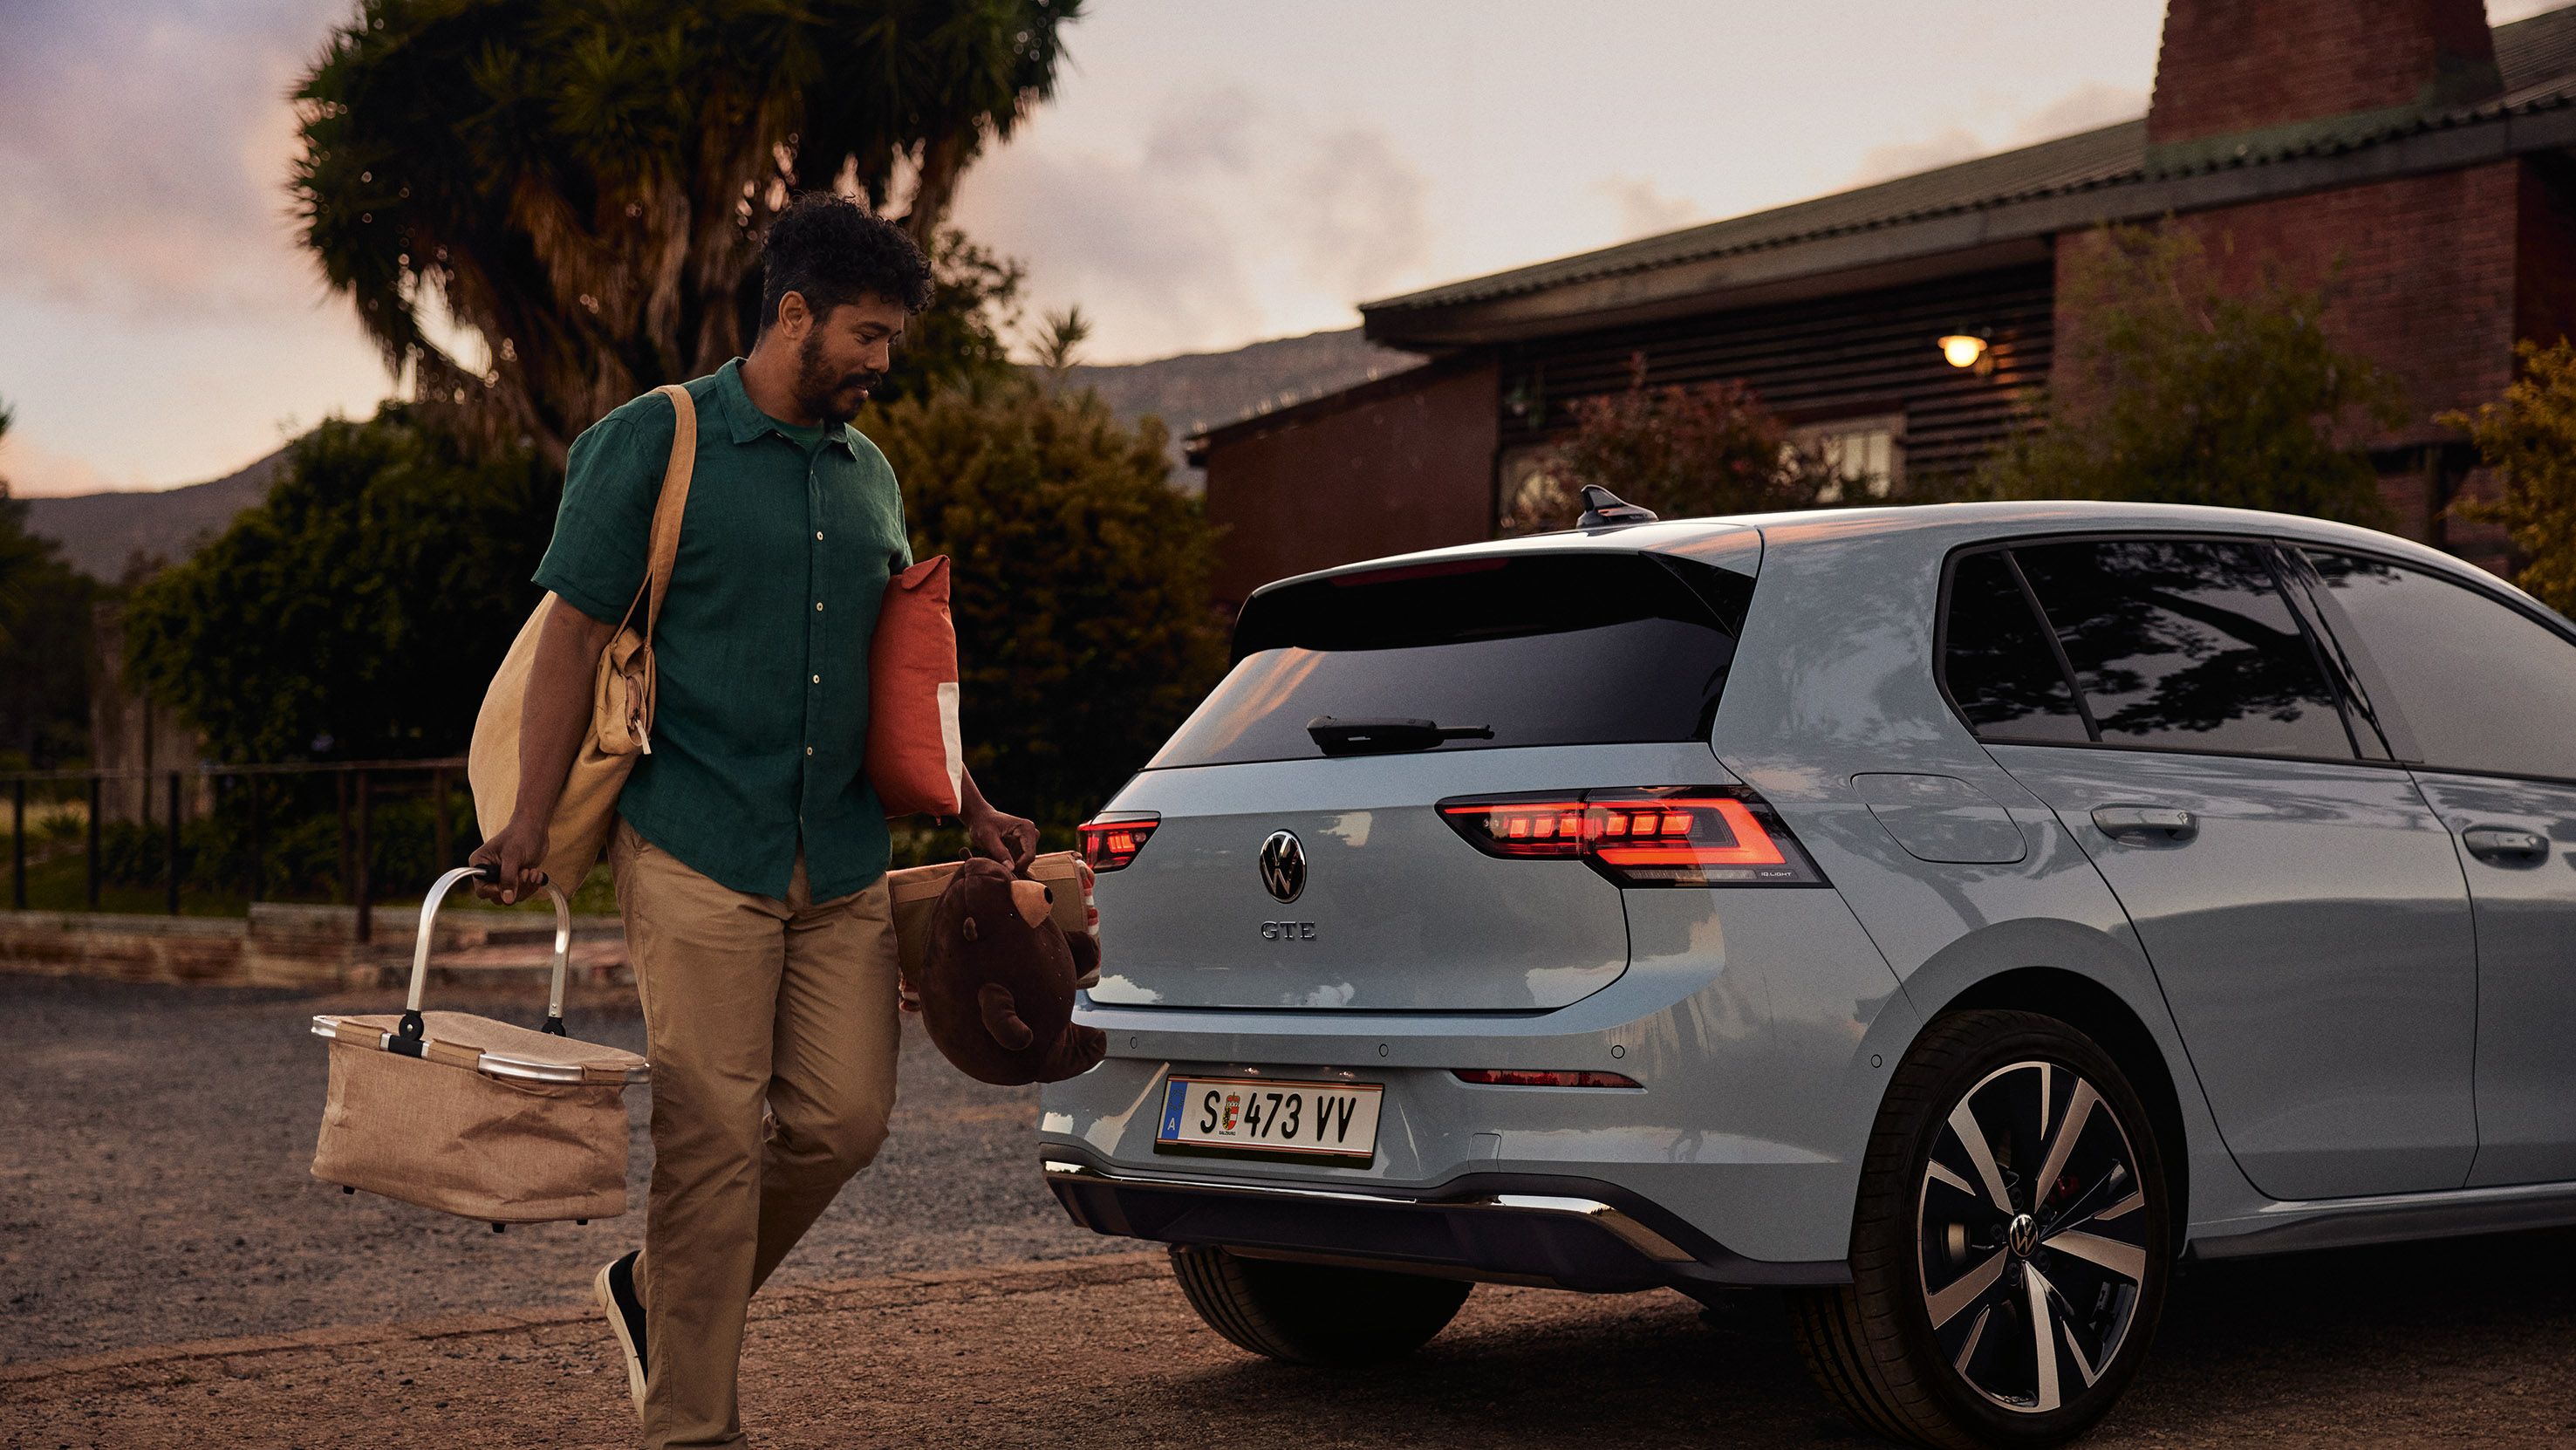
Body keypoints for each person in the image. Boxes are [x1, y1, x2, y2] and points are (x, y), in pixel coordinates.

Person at [469, 192, 1036, 1449]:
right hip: (695, 842)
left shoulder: (869, 472)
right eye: (870, 337)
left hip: (839, 857)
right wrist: (521, 819)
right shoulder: (657, 441)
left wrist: (973, 802)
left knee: (843, 1120)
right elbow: (570, 636)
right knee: (712, 1141)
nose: (886, 364)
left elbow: (903, 673)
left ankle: (655, 1289)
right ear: (794, 315)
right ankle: (691, 1424)